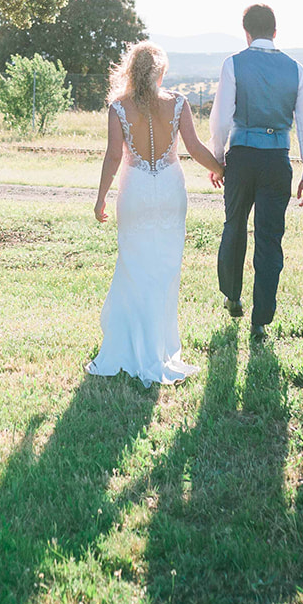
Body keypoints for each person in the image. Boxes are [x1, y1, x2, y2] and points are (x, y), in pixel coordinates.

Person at [89, 41, 226, 384]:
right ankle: (159, 347)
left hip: (135, 190)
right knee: (165, 269)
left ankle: (132, 345)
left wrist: (101, 197)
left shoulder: (118, 108)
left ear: (131, 71)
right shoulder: (178, 103)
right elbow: (194, 148)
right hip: (168, 189)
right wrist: (222, 169)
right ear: (160, 72)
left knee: (134, 265)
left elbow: (114, 157)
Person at [209, 4, 303, 339]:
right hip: (276, 161)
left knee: (234, 226)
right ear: (275, 31)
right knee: (270, 238)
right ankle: (261, 319)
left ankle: (232, 295)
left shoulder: (233, 64)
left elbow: (221, 119)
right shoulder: (296, 69)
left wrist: (217, 159)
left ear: (246, 32)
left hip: (241, 158)